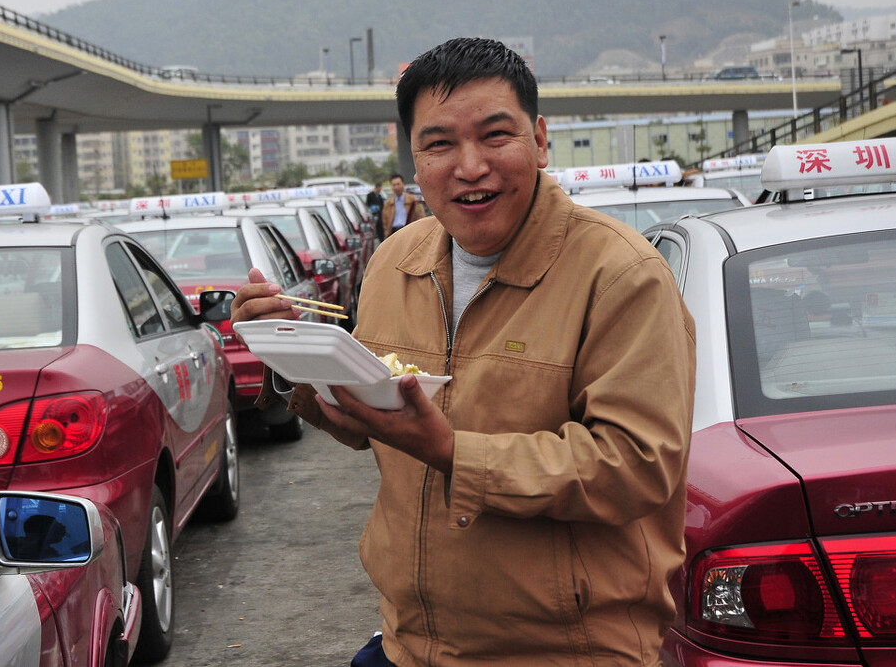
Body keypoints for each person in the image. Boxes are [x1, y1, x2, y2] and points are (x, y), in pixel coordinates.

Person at [231, 37, 695, 666]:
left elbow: (636, 465)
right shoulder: (397, 260)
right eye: (440, 143)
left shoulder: (621, 274)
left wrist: (451, 452)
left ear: (539, 139)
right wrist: (288, 358)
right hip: (410, 644)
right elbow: (367, 415)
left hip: (566, 651)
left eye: (495, 136)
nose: (469, 166)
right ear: (414, 159)